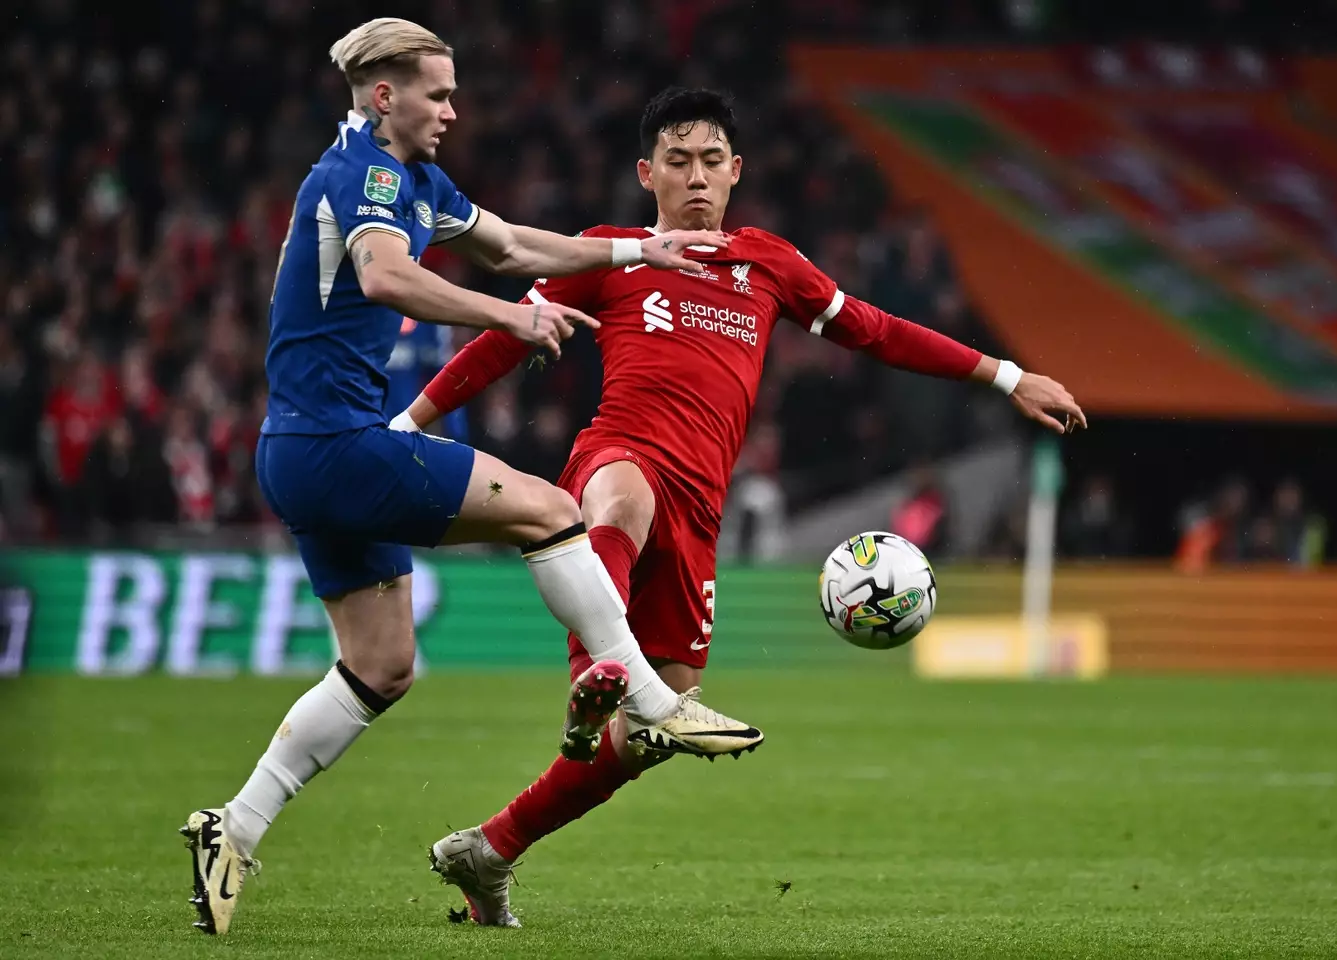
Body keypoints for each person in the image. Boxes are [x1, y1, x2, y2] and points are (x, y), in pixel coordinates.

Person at [395, 86, 1087, 926]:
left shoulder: (768, 263)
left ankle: (492, 849)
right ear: (647, 173)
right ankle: (600, 677)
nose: (695, 177)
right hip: (621, 457)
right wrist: (409, 425)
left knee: (651, 734)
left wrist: (1007, 376)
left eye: (711, 162)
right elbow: (505, 334)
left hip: (702, 514)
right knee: (619, 494)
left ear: (736, 173)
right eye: (677, 162)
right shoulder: (610, 253)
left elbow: (874, 329)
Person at [180, 25, 762, 937]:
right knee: (552, 511)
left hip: (299, 451)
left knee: (382, 665)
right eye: (437, 94)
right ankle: (652, 699)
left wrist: (630, 255)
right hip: (339, 444)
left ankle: (234, 828)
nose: (453, 111)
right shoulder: (364, 172)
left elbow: (514, 247)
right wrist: (509, 322)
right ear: (384, 97)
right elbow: (385, 276)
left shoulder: (416, 182)